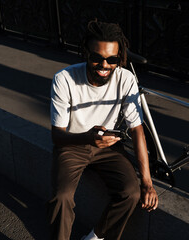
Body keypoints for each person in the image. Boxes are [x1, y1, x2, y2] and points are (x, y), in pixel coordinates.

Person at [47, 20, 158, 240]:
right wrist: (86, 138)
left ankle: (96, 238)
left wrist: (147, 183)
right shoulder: (64, 79)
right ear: (86, 53)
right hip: (73, 144)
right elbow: (56, 135)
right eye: (96, 57)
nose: (104, 65)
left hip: (108, 147)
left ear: (120, 57)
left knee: (131, 193)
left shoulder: (126, 79)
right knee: (62, 197)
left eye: (112, 59)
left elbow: (137, 130)